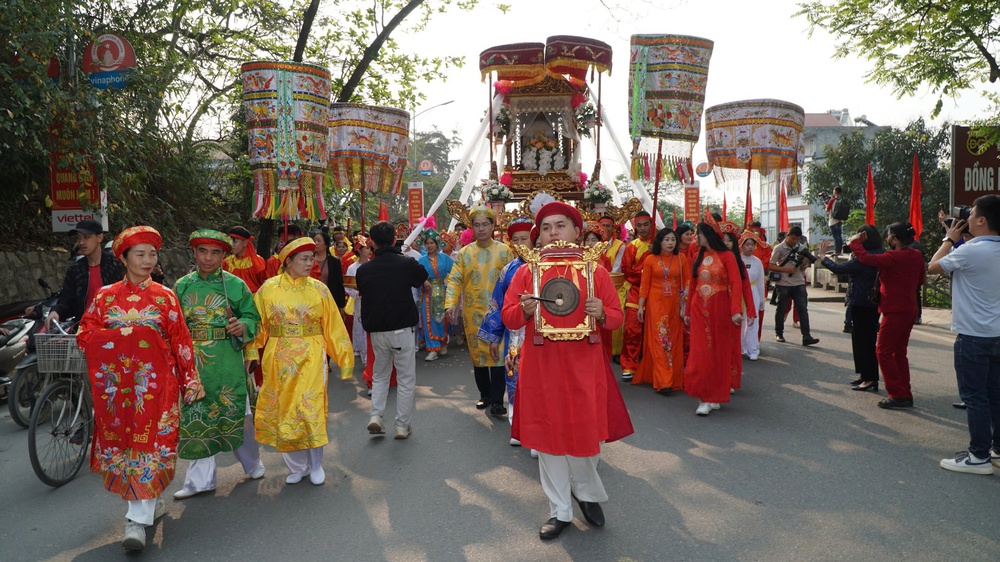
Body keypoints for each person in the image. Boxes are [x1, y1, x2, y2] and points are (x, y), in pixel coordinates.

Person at [501, 201, 633, 540]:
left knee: (584, 437)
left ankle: (586, 495)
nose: (553, 233)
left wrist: (603, 311)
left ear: (577, 231)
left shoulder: (596, 271)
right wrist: (525, 309)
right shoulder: (525, 272)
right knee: (548, 439)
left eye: (560, 225)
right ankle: (559, 510)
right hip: (542, 366)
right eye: (546, 228)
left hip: (584, 365)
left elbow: (616, 319)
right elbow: (509, 317)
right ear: (538, 237)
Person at [77, 226, 205, 551]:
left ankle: (135, 521)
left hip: (158, 386)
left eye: (153, 254)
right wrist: (124, 339)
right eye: (140, 254)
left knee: (150, 444)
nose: (148, 260)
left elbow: (181, 340)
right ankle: (150, 503)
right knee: (126, 447)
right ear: (123, 258)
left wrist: (190, 378)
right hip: (117, 388)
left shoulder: (165, 296)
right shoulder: (105, 297)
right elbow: (85, 333)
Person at [247, 237, 354, 485]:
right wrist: (252, 351)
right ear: (289, 261)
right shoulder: (268, 289)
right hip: (278, 357)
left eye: (312, 258)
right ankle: (296, 466)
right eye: (305, 259)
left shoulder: (319, 290)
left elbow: (333, 327)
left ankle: (316, 464)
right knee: (284, 410)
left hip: (312, 355)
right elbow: (257, 324)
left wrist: (344, 357)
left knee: (310, 408)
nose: (310, 263)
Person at [172, 230, 264, 499]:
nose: (208, 258)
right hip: (195, 363)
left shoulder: (235, 285)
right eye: (203, 251)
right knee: (197, 416)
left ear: (224, 256)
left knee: (238, 414)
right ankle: (200, 481)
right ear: (194, 253)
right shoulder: (182, 286)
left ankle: (252, 463)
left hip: (227, 360)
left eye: (215, 253)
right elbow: (174, 326)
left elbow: (253, 318)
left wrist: (241, 325)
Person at [928, 195, 1000, 473]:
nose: (967, 218)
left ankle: (978, 456)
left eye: (972, 215)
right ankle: (996, 450)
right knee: (995, 394)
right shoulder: (976, 250)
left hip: (973, 336)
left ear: (981, 220)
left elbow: (933, 266)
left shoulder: (969, 251)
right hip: (996, 334)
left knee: (975, 397)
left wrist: (948, 239)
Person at [355, 221, 429, 439]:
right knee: (406, 378)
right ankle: (401, 425)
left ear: (372, 242)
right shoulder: (405, 263)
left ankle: (376, 416)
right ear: (395, 237)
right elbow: (421, 277)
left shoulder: (364, 269)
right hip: (402, 328)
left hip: (377, 330)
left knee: (380, 375)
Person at [445, 205, 514, 417]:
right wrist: (450, 303)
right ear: (471, 228)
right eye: (477, 225)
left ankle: (497, 401)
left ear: (493, 226)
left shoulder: (504, 251)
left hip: (499, 313)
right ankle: (484, 395)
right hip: (473, 313)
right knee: (479, 357)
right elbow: (455, 279)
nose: (482, 229)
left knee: (499, 356)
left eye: (486, 224)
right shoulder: (465, 253)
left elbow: (514, 280)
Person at [849, 222, 925, 409]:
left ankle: (898, 394)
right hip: (909, 308)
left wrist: (855, 242)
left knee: (883, 351)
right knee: (899, 352)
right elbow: (921, 280)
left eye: (890, 235)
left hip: (895, 309)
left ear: (896, 239)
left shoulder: (893, 256)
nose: (888, 238)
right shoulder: (916, 255)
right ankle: (904, 391)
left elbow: (866, 259)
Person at [684, 214, 747, 416]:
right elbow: (692, 285)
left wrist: (736, 310)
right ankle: (705, 396)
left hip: (719, 308)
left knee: (718, 353)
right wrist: (686, 312)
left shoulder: (727, 256)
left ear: (708, 235)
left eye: (699, 233)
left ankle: (714, 395)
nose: (696, 237)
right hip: (698, 308)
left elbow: (736, 284)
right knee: (701, 352)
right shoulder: (697, 256)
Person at [479, 216, 535, 437]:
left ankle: (537, 428)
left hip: (540, 333)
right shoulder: (508, 271)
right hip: (515, 334)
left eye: (525, 239)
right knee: (513, 375)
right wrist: (494, 336)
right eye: (516, 240)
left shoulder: (546, 266)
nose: (521, 244)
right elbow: (498, 304)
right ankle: (517, 426)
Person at [820, 225, 882, 390]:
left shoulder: (864, 257)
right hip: (874, 302)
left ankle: (869, 378)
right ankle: (865, 375)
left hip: (861, 302)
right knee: (864, 340)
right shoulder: (881, 253)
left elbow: (837, 269)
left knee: (864, 342)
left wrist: (823, 257)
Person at [635, 227, 688, 393]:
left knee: (673, 340)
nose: (670, 243)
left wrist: (686, 292)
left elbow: (688, 280)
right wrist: (641, 306)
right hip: (655, 304)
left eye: (673, 240)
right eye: (667, 240)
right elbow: (645, 285)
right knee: (660, 340)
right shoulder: (650, 259)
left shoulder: (681, 259)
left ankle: (672, 377)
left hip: (674, 304)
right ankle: (664, 380)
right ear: (660, 241)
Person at [49, 219, 124, 325]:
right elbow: (66, 300)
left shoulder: (116, 265)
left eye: (86, 237)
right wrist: (55, 311)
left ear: (100, 237)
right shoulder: (75, 270)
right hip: (85, 330)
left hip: (115, 327)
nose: (81, 242)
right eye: (78, 238)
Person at [720, 222, 757, 392]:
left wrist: (751, 310)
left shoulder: (739, 263)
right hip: (716, 307)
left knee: (733, 345)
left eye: (729, 241)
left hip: (733, 308)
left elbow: (746, 288)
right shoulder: (712, 260)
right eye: (723, 240)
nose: (726, 243)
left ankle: (730, 379)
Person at [619, 211, 655, 380]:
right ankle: (629, 365)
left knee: (655, 331)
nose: (642, 228)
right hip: (635, 292)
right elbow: (627, 271)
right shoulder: (631, 247)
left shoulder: (659, 244)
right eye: (638, 225)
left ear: (651, 224)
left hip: (656, 293)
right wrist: (644, 275)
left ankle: (655, 366)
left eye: (645, 225)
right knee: (632, 330)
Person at [770, 226, 819, 346]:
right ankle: (779, 333)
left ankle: (806, 337)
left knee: (803, 309)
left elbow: (802, 268)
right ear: (787, 236)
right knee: (781, 309)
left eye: (797, 239)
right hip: (783, 283)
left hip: (798, 282)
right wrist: (786, 269)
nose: (795, 241)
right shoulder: (779, 248)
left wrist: (804, 262)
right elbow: (770, 265)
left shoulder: (801, 248)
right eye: (793, 238)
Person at [417, 228, 454, 362]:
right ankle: (432, 349)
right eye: (427, 243)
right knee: (429, 321)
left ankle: (442, 343)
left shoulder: (445, 258)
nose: (429, 245)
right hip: (427, 294)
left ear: (437, 244)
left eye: (432, 243)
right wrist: (423, 280)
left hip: (442, 291)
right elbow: (416, 275)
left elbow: (455, 273)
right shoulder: (421, 260)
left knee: (442, 318)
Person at [739, 230, 767, 361]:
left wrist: (761, 300)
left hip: (753, 291)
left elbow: (761, 282)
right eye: (747, 244)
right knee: (739, 320)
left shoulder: (757, 262)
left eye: (752, 244)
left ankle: (753, 348)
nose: (750, 247)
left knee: (752, 320)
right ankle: (739, 347)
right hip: (739, 292)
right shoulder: (736, 259)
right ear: (741, 245)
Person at [345, 234, 373, 365]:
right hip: (360, 302)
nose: (369, 250)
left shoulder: (374, 265)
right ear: (360, 250)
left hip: (373, 302)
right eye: (366, 248)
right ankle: (364, 356)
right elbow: (348, 287)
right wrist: (358, 294)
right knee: (361, 328)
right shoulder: (352, 268)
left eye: (369, 248)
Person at [310, 229, 348, 313]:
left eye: (319, 241)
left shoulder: (334, 262)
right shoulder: (308, 260)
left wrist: (341, 305)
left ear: (326, 244)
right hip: (310, 300)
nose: (316, 243)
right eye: (314, 241)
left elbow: (339, 284)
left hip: (329, 300)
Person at [223, 226, 267, 293]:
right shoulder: (227, 262)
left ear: (245, 243)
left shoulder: (257, 262)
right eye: (230, 241)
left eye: (235, 242)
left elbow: (264, 284)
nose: (232, 245)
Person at [825, 186, 846, 254]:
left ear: (835, 192)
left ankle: (837, 251)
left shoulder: (832, 200)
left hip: (833, 221)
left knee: (835, 237)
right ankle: (840, 250)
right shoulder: (842, 200)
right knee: (839, 236)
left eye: (834, 190)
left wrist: (826, 204)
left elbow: (827, 210)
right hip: (839, 220)